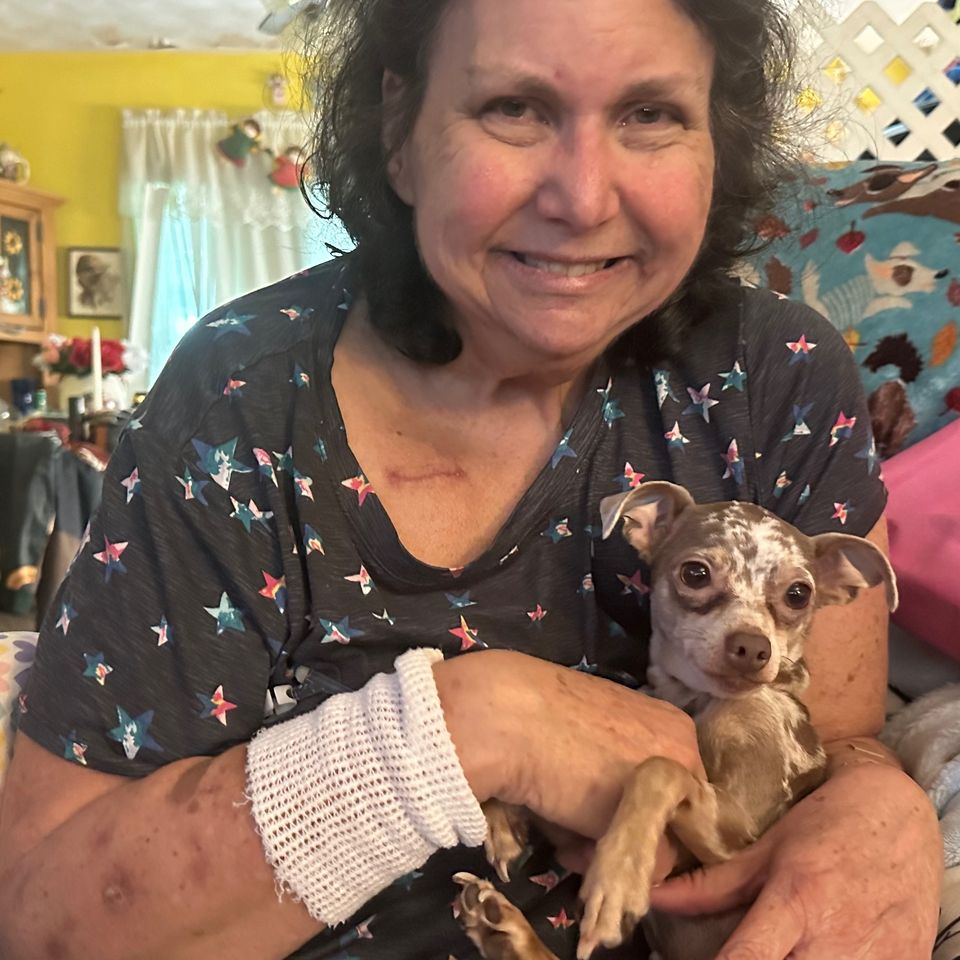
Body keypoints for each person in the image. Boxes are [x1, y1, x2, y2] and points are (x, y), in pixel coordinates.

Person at [0, 0, 943, 957]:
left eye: (651, 114)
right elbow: (43, 922)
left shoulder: (774, 374)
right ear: (400, 130)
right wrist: (476, 726)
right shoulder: (239, 401)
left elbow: (830, 740)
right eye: (514, 108)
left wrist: (881, 802)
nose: (583, 198)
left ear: (718, 144)